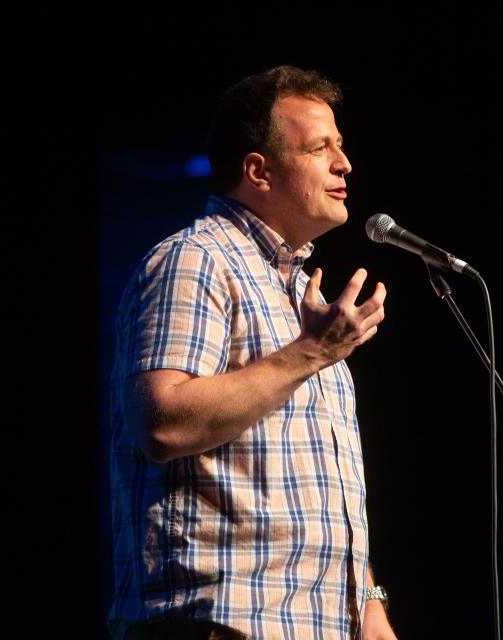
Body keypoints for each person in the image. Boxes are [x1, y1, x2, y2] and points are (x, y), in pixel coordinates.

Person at [107, 66, 396, 640]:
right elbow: (160, 423)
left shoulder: (295, 296)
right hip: (220, 622)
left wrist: (370, 609)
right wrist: (309, 355)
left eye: (340, 145)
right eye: (321, 148)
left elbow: (323, 490)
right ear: (258, 171)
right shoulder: (196, 261)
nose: (345, 163)